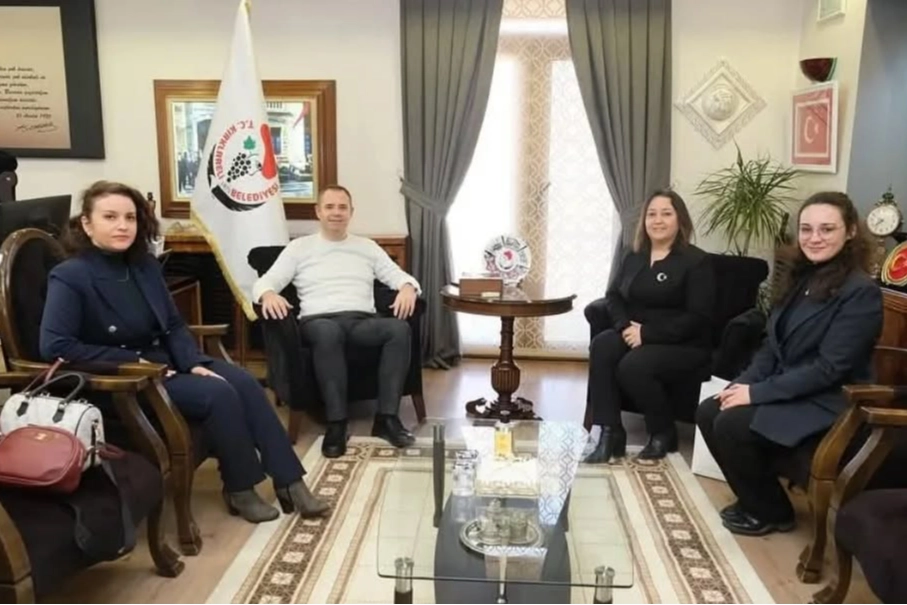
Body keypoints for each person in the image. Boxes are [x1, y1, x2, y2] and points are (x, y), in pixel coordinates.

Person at [39, 180, 329, 524]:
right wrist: (134, 362)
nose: (122, 226)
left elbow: (174, 324)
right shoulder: (70, 276)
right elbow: (56, 346)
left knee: (245, 382)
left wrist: (190, 362)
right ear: (87, 224)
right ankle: (240, 488)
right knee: (219, 393)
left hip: (165, 361)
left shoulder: (144, 265)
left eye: (130, 218)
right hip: (123, 376)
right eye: (110, 217)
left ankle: (290, 482)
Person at [696, 191, 882, 537]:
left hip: (829, 401)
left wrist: (757, 394)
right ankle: (756, 500)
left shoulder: (860, 292)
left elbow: (829, 369)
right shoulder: (803, 277)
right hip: (792, 387)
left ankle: (772, 513)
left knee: (732, 425)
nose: (814, 238)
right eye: (807, 229)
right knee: (710, 409)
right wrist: (744, 384)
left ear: (851, 231)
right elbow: (772, 345)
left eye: (827, 229)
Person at [252, 184, 420, 458]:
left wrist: (408, 288)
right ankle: (337, 423)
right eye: (329, 207)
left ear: (351, 212)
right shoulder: (299, 248)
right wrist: (269, 294)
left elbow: (397, 275)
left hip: (360, 321)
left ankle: (386, 419)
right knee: (328, 333)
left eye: (342, 207)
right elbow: (266, 281)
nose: (336, 212)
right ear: (318, 212)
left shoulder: (367, 247)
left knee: (398, 329)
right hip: (318, 321)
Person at [585, 189, 715, 463]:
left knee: (633, 365)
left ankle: (663, 432)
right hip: (634, 332)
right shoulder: (634, 256)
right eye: (651, 214)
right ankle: (610, 432)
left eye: (666, 214)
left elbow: (699, 318)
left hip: (682, 343)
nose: (658, 220)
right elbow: (614, 296)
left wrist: (646, 333)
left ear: (680, 220)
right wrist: (624, 327)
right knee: (602, 345)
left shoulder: (696, 262)